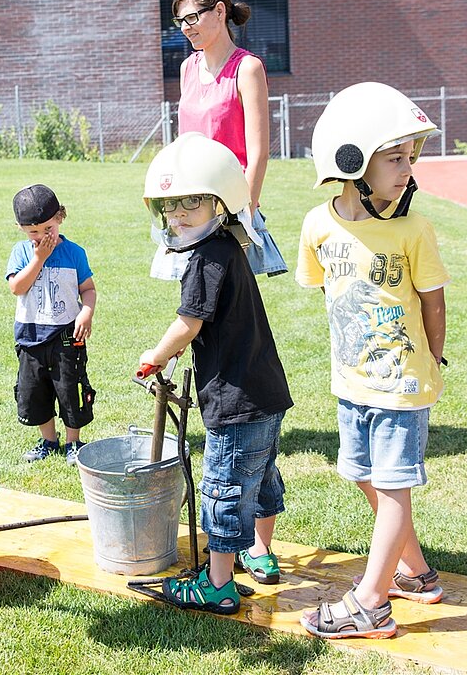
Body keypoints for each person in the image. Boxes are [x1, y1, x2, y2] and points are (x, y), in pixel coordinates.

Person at [296, 83, 449, 640]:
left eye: (410, 157)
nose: (408, 169)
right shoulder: (318, 225)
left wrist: (433, 357)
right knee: (361, 476)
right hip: (352, 381)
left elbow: (433, 301)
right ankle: (416, 572)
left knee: (391, 489)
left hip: (401, 384)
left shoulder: (414, 229)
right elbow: (328, 293)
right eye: (395, 158)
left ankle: (370, 602)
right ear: (352, 161)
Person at [139, 132, 293, 615]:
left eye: (191, 203)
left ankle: (219, 582)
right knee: (260, 476)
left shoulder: (205, 259)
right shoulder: (229, 246)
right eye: (170, 206)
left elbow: (189, 322)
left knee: (225, 485)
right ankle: (259, 553)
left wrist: (156, 355)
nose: (178, 215)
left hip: (235, 398)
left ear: (222, 204)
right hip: (265, 392)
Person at [150, 0, 287, 281]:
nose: (185, 28)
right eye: (180, 21)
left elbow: (258, 155)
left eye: (192, 17)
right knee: (195, 304)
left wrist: (243, 218)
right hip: (187, 208)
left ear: (220, 11)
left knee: (226, 310)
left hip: (229, 208)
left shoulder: (247, 68)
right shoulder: (188, 68)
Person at [6, 184, 97, 465]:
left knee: (70, 388)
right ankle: (48, 439)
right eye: (33, 231)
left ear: (60, 217)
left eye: (47, 228)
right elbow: (17, 288)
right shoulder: (21, 253)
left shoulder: (74, 253)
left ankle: (73, 442)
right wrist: (38, 258)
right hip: (31, 336)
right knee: (35, 391)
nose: (42, 235)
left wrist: (87, 312)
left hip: (66, 335)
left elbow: (88, 289)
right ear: (20, 228)